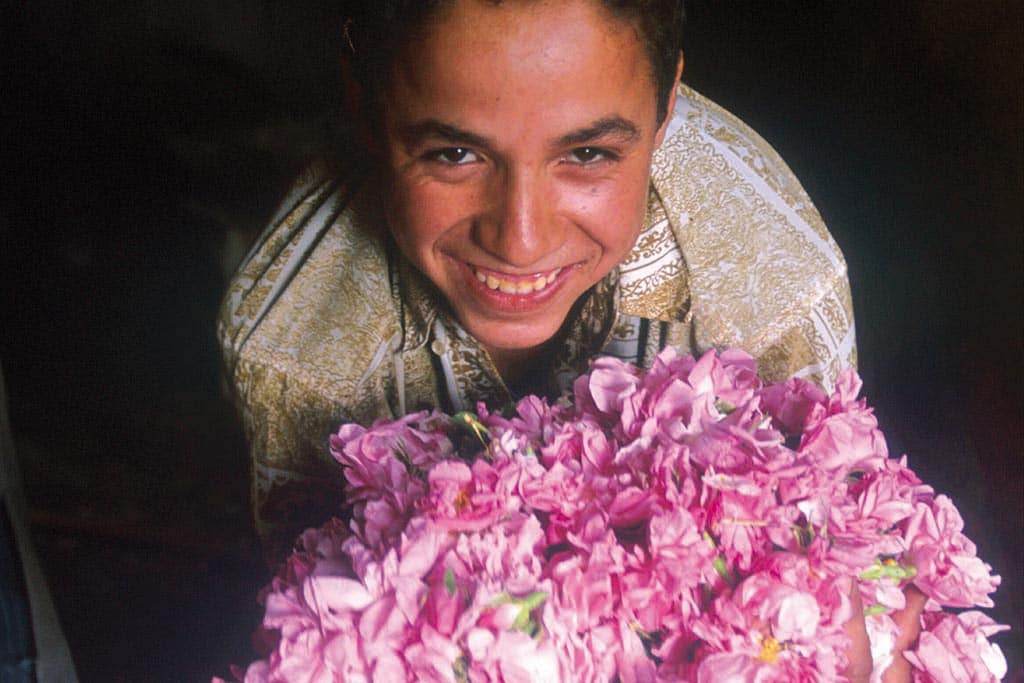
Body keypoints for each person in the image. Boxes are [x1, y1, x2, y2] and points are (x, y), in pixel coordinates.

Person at [219, 1, 930, 677]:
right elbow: (327, 630)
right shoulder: (292, 350)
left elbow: (843, 596)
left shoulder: (774, 286)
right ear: (367, 109)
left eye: (587, 153)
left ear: (666, 106)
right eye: (455, 152)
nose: (520, 239)